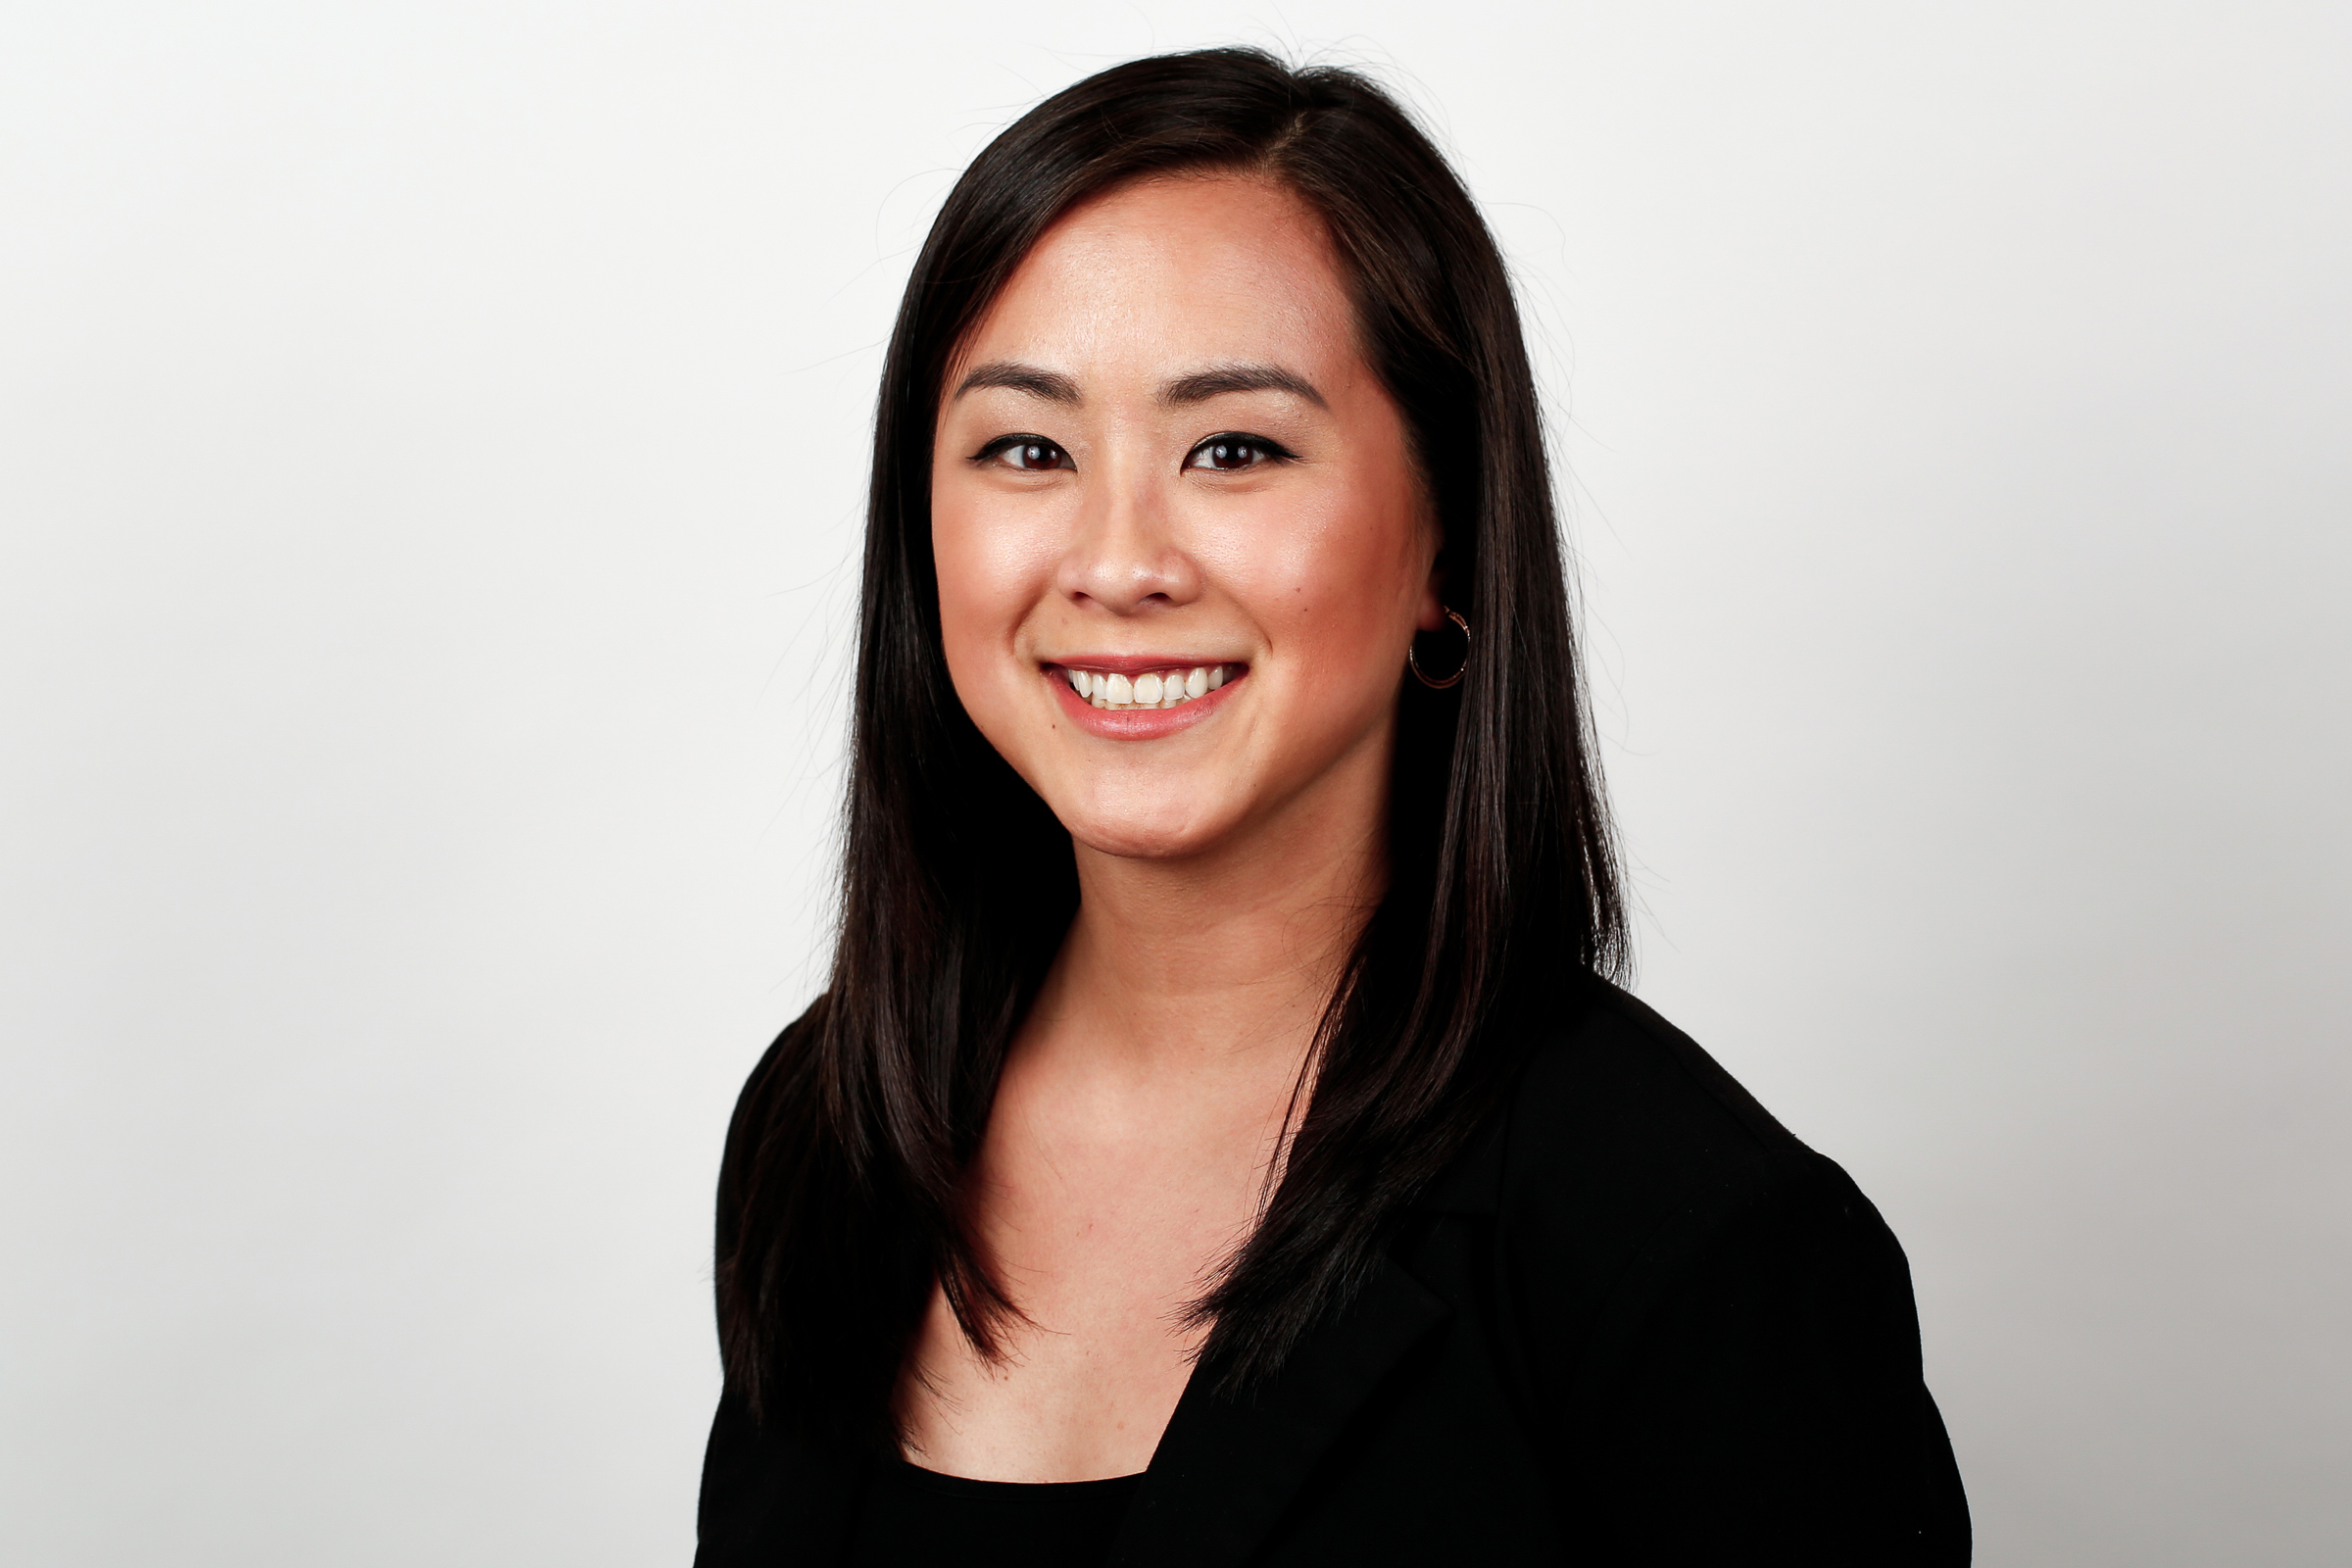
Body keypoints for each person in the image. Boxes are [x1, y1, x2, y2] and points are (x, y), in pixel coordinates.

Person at [694, 47, 1970, 1567]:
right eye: (1026, 448)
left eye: (1234, 448)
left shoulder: (1691, 1241)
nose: (1117, 561)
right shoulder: (832, 1124)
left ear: (1451, 551)